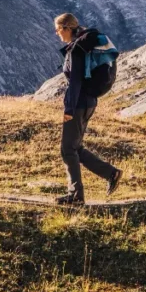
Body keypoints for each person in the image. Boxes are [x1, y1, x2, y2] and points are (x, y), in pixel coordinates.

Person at [54, 13, 122, 206]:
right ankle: (111, 173)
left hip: (79, 104)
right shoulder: (86, 45)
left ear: (67, 28)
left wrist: (69, 108)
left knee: (67, 149)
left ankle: (76, 196)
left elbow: (75, 82)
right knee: (75, 147)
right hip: (89, 102)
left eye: (58, 30)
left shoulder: (77, 49)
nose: (57, 34)